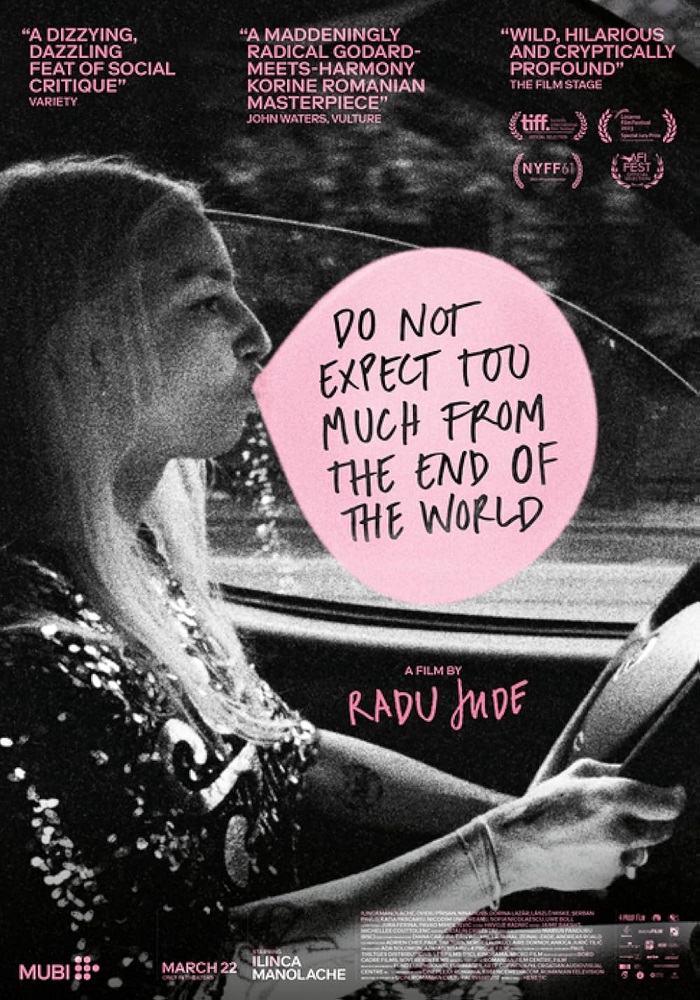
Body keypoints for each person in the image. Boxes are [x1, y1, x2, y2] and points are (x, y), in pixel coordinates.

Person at [0, 157, 685, 1000]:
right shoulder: (33, 661)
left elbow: (293, 756)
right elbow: (188, 980)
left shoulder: (132, 576)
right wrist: (502, 852)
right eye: (206, 301)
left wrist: (523, 812)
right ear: (85, 352)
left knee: (669, 953)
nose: (257, 334)